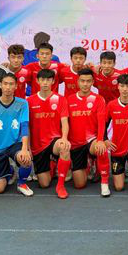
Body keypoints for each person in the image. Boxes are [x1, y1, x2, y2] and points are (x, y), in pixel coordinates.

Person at [0, 73, 33, 197]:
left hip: (15, 144)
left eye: (11, 84)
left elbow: (24, 126)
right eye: (5, 84)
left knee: (25, 159)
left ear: (16, 86)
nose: (8, 87)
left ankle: (21, 183)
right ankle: (10, 170)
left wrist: (25, 149)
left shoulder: (23, 104)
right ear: (0, 85)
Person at [27, 69, 72, 198]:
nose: (45, 82)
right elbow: (27, 126)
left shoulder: (60, 99)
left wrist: (64, 138)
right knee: (44, 184)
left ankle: (60, 185)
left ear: (53, 81)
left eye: (48, 80)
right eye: (42, 80)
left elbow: (64, 122)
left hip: (54, 140)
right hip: (37, 146)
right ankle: (52, 165)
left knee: (64, 147)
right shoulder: (30, 101)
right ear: (37, 81)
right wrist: (28, 147)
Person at [66, 69, 110, 195]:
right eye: (82, 81)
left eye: (88, 81)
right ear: (78, 81)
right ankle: (89, 164)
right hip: (75, 145)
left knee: (101, 148)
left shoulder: (99, 99)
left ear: (92, 82)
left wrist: (100, 140)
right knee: (79, 185)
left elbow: (101, 123)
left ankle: (104, 183)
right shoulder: (69, 100)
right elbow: (65, 123)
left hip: (92, 140)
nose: (85, 84)